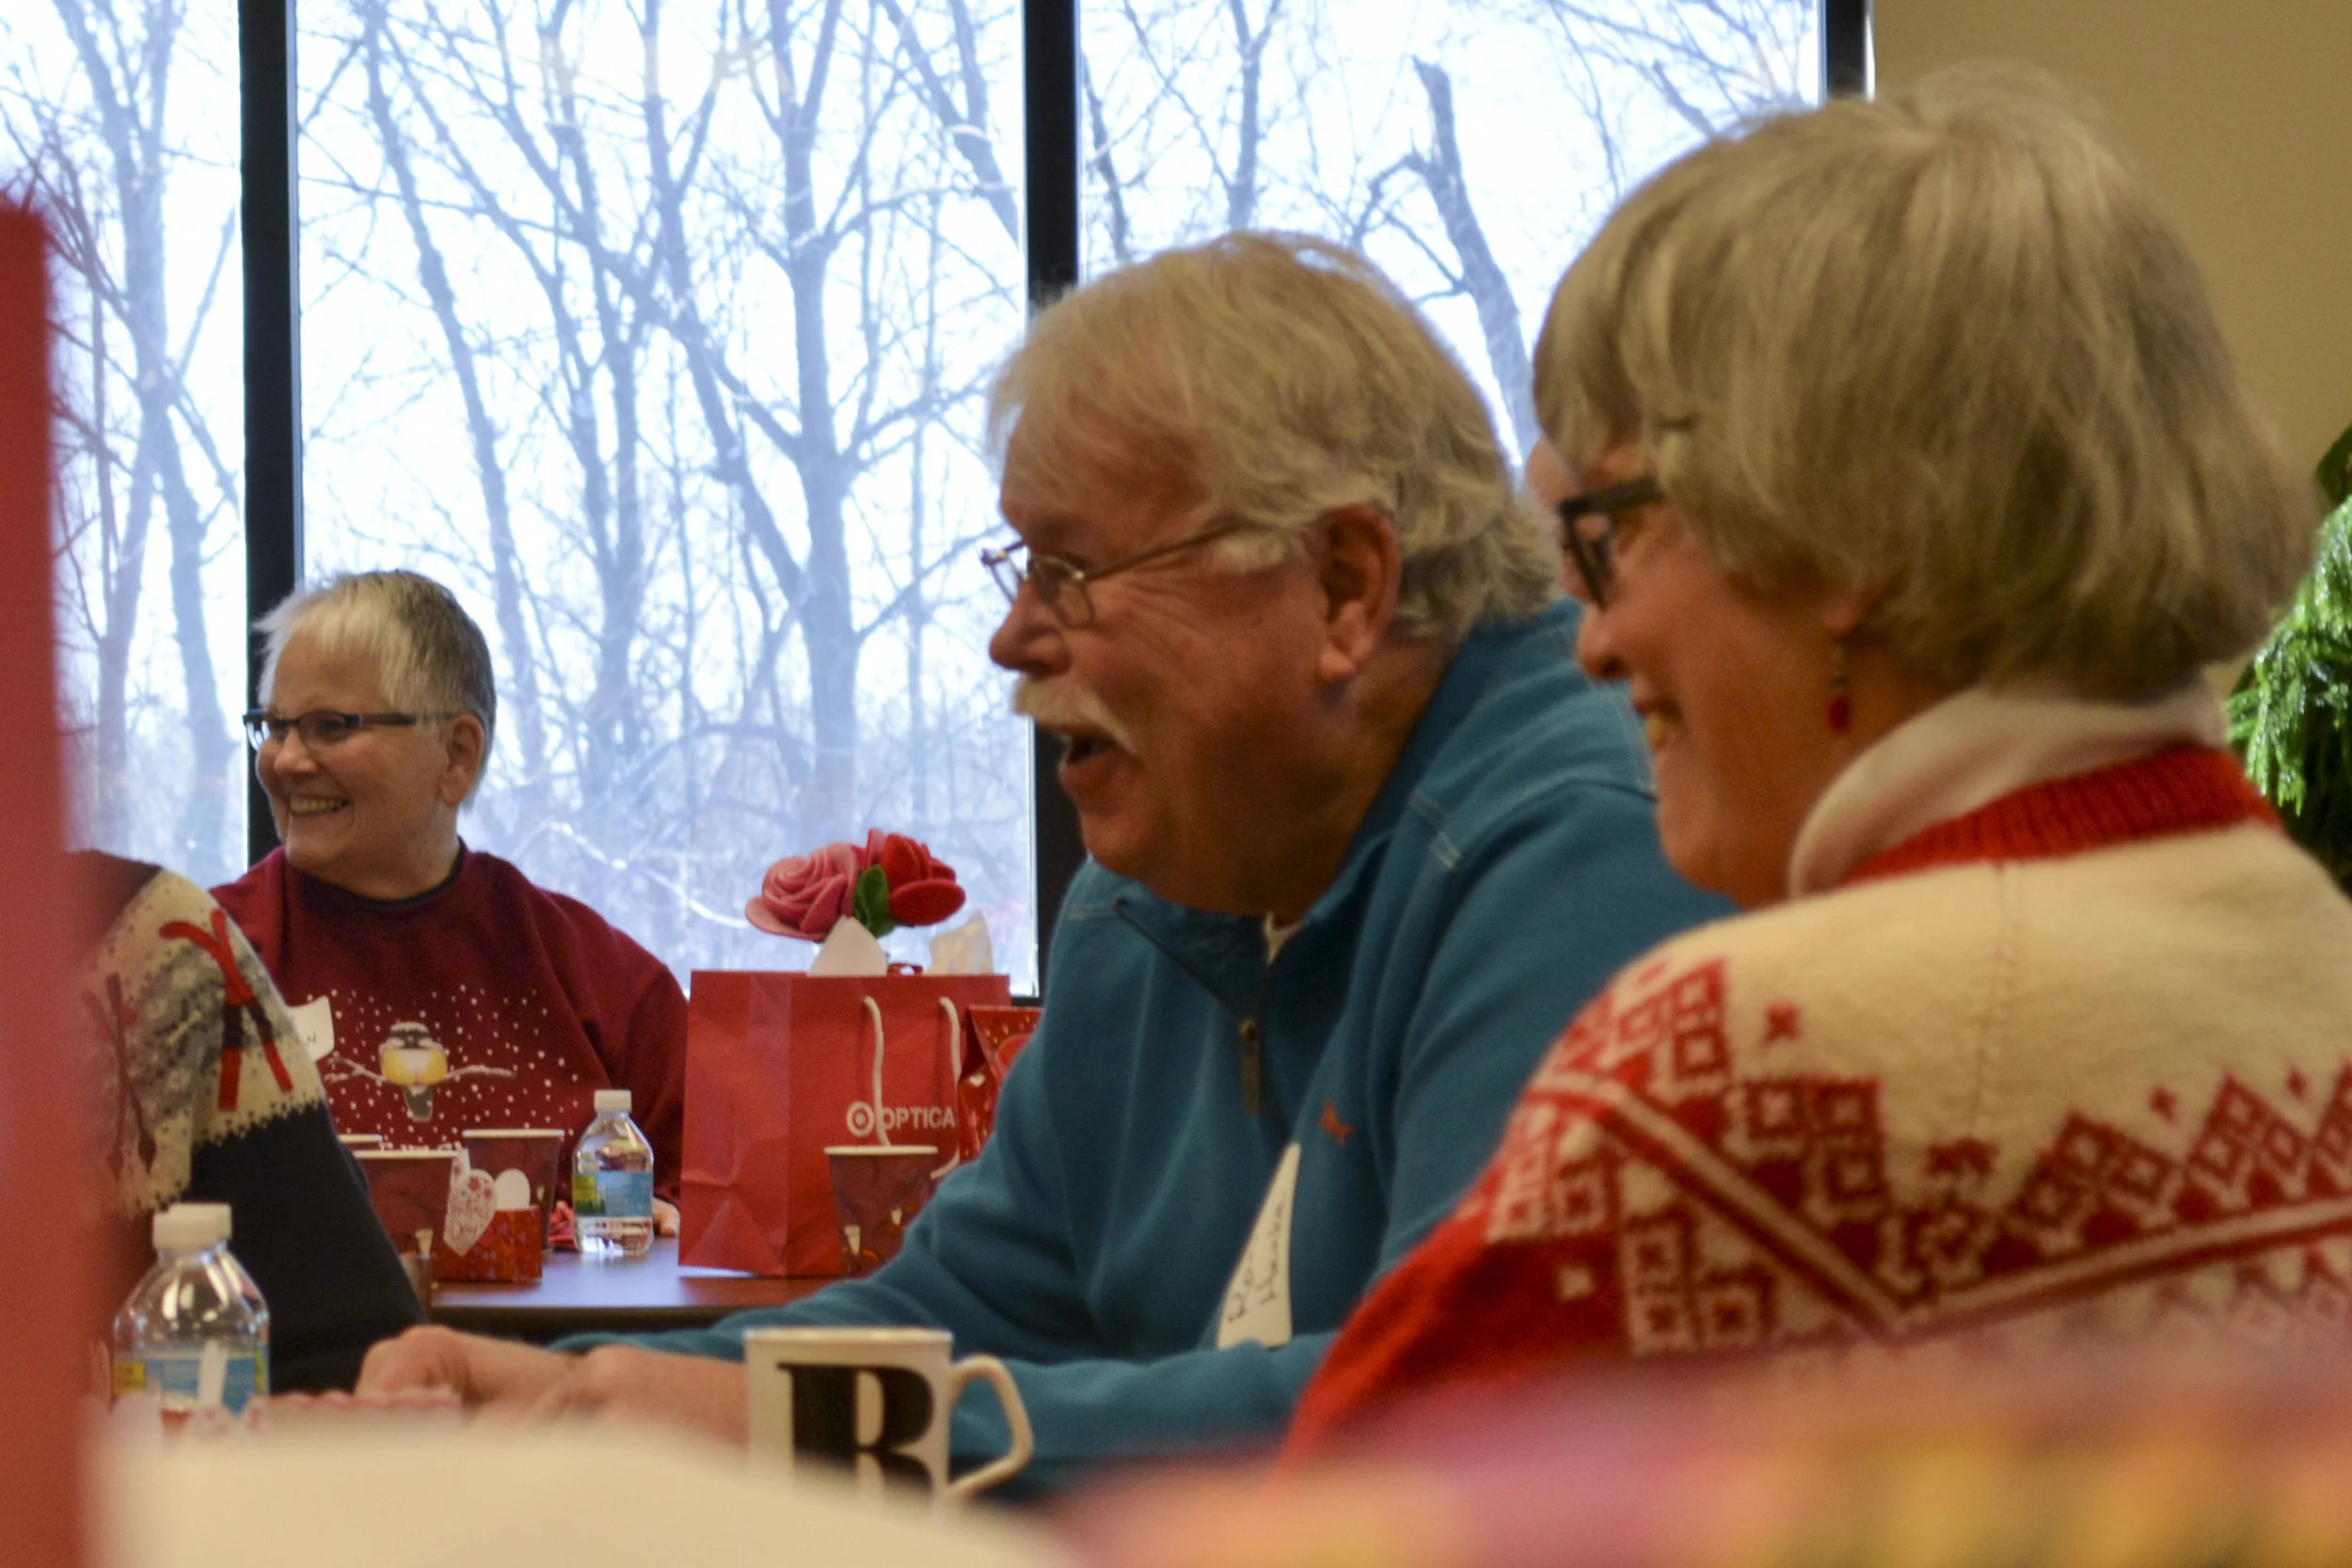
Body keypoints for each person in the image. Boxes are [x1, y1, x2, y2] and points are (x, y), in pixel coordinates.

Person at [357, 233, 1728, 1492]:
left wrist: (789, 1428)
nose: (1010, 637)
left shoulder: (1589, 847)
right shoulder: (1154, 891)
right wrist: (583, 1390)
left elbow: (1474, 1420)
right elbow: (955, 1311)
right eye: (1016, 566)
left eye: (1071, 569)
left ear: (1346, 587)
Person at [1281, 67, 2346, 1460]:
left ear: (1855, 537)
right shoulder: (2311, 957)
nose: (1590, 639)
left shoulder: (1763, 1072)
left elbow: (1340, 1517)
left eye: (1608, 533)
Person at [213, 571, 688, 1205]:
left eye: (329, 726)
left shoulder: (598, 978)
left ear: (456, 755)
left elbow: (722, 1212)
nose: (287, 760)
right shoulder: (202, 959)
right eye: (275, 727)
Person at [77, 851, 422, 1389]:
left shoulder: (147, 942)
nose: (287, 762)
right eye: (263, 756)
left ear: (458, 765)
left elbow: (351, 1362)